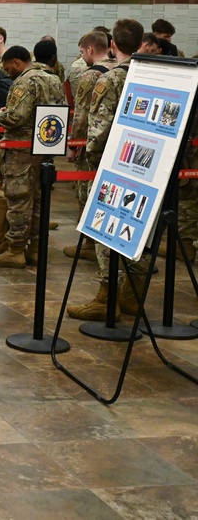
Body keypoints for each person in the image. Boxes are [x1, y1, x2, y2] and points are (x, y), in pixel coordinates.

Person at [67, 20, 150, 322]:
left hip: (113, 165)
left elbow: (99, 129)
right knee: (139, 228)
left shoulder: (111, 80)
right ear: (142, 44)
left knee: (106, 229)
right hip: (148, 168)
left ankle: (107, 296)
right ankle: (132, 294)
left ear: (113, 44)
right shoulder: (152, 74)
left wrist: (90, 158)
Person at [0, 46, 63, 268]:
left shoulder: (24, 81)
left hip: (21, 152)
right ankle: (36, 249)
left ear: (17, 62)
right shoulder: (53, 78)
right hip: (45, 147)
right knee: (39, 200)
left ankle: (15, 249)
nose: (8, 71)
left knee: (18, 199)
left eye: (8, 66)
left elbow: (16, 117)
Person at [64, 30, 116, 261]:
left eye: (82, 51)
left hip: (92, 143)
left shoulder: (90, 75)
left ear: (91, 50)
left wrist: (74, 144)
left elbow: (81, 113)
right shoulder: (122, 69)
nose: (82, 56)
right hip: (117, 144)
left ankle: (89, 243)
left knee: (87, 193)